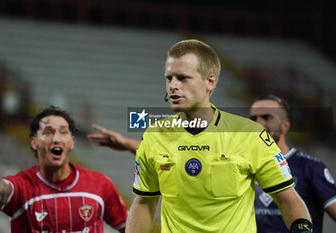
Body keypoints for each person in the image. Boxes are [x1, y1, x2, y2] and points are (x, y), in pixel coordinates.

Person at [88, 39, 312, 233]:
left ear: (210, 82)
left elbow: (289, 199)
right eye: (169, 78)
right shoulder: (154, 136)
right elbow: (144, 202)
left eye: (183, 78)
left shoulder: (250, 135)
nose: (173, 86)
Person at [0, 106, 128, 233]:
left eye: (63, 132)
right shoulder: (22, 186)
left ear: (72, 142)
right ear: (34, 142)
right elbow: (0, 190)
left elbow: (129, 227)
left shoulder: (100, 185)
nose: (56, 139)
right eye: (48, 132)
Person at [250, 95, 336, 233]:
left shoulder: (311, 168)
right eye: (253, 119)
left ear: (285, 126)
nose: (258, 123)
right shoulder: (244, 165)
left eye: (267, 117)